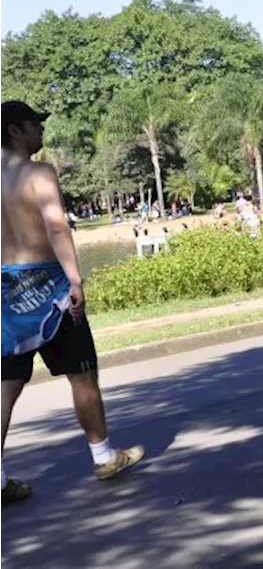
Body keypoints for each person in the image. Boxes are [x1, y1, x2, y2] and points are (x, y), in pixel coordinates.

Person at [0, 101, 145, 504]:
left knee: (6, 382)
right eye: (33, 124)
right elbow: (56, 224)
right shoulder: (38, 172)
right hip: (50, 289)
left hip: (6, 291)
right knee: (82, 374)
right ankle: (104, 456)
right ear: (14, 130)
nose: (39, 131)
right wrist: (76, 279)